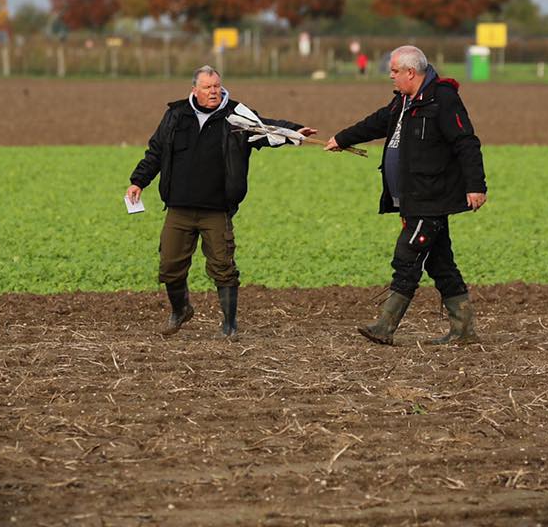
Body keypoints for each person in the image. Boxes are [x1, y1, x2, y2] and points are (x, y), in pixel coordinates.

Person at [126, 66, 316, 338]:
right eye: (207, 87)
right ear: (194, 90)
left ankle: (229, 325)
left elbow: (266, 129)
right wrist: (138, 181)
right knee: (170, 265)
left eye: (217, 86)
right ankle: (180, 310)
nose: (214, 91)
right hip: (179, 207)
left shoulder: (236, 116)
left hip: (216, 208)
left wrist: (295, 132)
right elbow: (156, 151)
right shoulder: (176, 115)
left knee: (223, 268)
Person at [324, 45, 487, 346]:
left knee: (407, 258)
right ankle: (464, 330)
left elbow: (466, 143)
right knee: (440, 264)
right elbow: (376, 123)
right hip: (411, 198)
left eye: (395, 71)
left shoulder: (443, 99)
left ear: (411, 72)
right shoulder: (402, 100)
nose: (391, 76)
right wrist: (342, 138)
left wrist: (476, 186)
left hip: (431, 197)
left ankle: (385, 327)